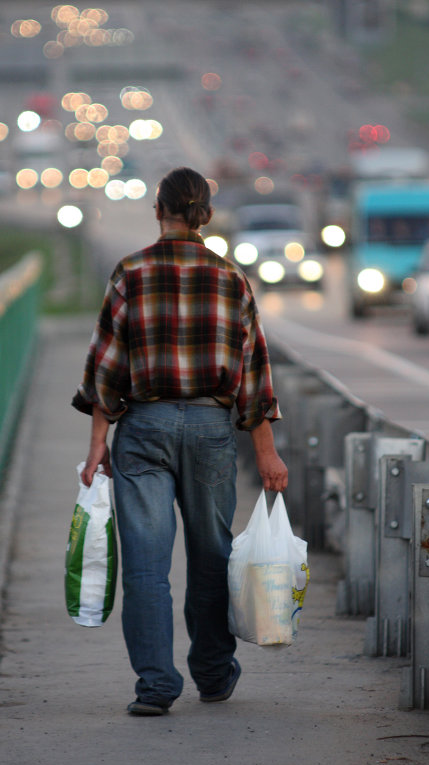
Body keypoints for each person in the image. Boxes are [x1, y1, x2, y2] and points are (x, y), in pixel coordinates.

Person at [72, 166, 288, 716]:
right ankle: (213, 674)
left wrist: (99, 440)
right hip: (212, 431)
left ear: (158, 211)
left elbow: (105, 368)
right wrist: (265, 451)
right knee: (210, 557)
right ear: (206, 215)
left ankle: (156, 687)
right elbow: (252, 375)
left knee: (146, 568)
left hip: (142, 428)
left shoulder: (131, 272)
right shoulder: (231, 278)